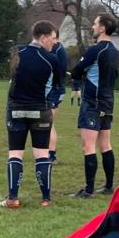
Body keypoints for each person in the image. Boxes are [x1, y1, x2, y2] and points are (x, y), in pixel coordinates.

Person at [0, 21, 63, 208]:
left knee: (15, 153)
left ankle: (12, 197)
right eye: (52, 39)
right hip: (41, 111)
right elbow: (58, 84)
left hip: (16, 109)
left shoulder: (17, 53)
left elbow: (13, 77)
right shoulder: (52, 60)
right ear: (43, 38)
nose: (54, 43)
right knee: (42, 154)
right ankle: (46, 199)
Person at [72, 14, 119, 198]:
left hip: (92, 102)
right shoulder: (114, 51)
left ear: (102, 29)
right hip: (108, 102)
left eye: (94, 24)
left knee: (88, 146)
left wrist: (80, 76)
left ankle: (88, 190)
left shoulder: (96, 50)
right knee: (106, 145)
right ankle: (108, 186)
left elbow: (76, 71)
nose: (92, 27)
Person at [47, 33, 68, 165]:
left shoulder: (57, 50)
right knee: (48, 123)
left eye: (53, 37)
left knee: (48, 124)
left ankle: (52, 155)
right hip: (57, 89)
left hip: (54, 90)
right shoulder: (58, 49)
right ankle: (48, 153)